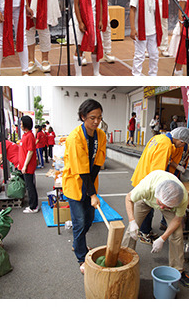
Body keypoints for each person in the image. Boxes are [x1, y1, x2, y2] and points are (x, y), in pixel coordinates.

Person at [123, 170, 189, 288]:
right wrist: (132, 221)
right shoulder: (146, 188)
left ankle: (178, 270)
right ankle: (123, 261)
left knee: (177, 234)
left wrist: (162, 238)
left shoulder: (182, 197)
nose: (160, 208)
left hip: (167, 202)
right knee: (132, 230)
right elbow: (128, 198)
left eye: (165, 206)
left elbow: (177, 220)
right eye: (160, 204)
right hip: (146, 200)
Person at [62, 98, 106, 273]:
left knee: (89, 219)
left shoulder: (100, 135)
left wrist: (91, 191)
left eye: (99, 117)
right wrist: (92, 194)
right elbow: (81, 169)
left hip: (89, 183)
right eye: (92, 117)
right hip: (75, 183)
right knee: (80, 222)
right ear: (83, 117)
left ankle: (77, 243)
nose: (96, 121)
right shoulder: (74, 138)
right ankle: (81, 258)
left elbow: (97, 164)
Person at [131, 126, 189, 242]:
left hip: (142, 175)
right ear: (180, 140)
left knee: (146, 208)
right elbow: (158, 171)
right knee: (148, 208)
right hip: (149, 182)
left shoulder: (158, 138)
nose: (181, 147)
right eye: (183, 144)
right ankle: (144, 234)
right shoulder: (166, 145)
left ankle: (144, 232)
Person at [129, 0, 162, 77]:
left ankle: (153, 74)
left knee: (154, 54)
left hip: (153, 30)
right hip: (141, 30)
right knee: (139, 55)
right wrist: (133, 29)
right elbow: (132, 10)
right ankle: (136, 75)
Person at [72, 0, 103, 77]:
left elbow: (100, 4)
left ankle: (96, 72)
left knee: (96, 46)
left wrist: (100, 20)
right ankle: (78, 74)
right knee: (80, 46)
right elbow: (76, 5)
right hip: (82, 19)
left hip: (95, 19)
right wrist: (80, 22)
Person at [19, 115, 39, 213]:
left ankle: (33, 206)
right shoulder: (25, 135)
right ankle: (33, 205)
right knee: (30, 185)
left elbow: (30, 151)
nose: (20, 125)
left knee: (30, 186)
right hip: (25, 165)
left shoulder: (30, 136)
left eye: (21, 123)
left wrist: (25, 165)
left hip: (28, 166)